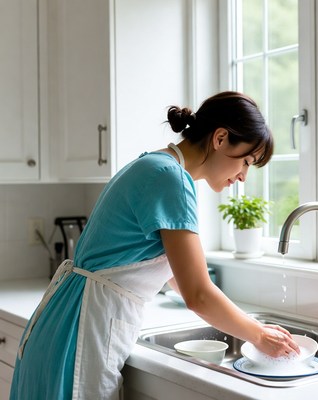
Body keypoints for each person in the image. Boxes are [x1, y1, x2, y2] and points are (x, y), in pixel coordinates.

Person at [10, 91, 299, 399]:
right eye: (246, 161)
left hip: (63, 324)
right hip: (81, 331)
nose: (243, 176)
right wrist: (258, 334)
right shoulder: (171, 179)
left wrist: (243, 321)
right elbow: (198, 294)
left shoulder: (155, 165)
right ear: (220, 138)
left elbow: (175, 272)